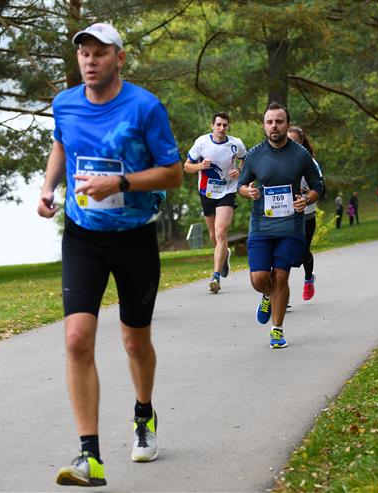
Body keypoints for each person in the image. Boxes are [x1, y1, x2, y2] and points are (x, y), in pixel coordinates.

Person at [37, 23, 183, 487]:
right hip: (83, 236)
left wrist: (119, 183)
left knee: (135, 341)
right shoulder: (65, 103)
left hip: (135, 237)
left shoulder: (145, 107)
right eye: (84, 53)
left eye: (99, 53)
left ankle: (144, 414)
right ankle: (90, 456)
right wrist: (48, 187)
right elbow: (62, 143)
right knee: (77, 339)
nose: (90, 61)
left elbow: (173, 173)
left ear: (119, 58)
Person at [237, 102, 324, 349]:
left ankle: (277, 330)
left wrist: (307, 199)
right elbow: (241, 184)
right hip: (261, 224)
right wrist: (248, 191)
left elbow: (318, 186)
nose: (274, 126)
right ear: (264, 126)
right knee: (259, 279)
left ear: (287, 124)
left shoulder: (300, 154)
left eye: (279, 121)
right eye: (269, 122)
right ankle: (267, 294)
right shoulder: (255, 154)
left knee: (281, 275)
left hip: (290, 224)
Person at [184, 112, 247, 293]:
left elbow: (247, 160)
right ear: (212, 125)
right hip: (207, 193)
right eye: (218, 124)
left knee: (220, 232)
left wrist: (240, 171)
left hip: (227, 191)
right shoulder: (202, 142)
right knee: (213, 235)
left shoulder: (236, 144)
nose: (221, 128)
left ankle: (216, 277)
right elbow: (187, 166)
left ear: (228, 127)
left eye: (225, 125)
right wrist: (200, 166)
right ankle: (225, 254)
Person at [287, 126, 324, 301]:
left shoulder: (310, 163)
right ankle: (281, 294)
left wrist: (307, 195)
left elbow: (321, 189)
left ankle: (309, 278)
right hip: (284, 214)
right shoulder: (277, 159)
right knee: (282, 253)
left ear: (301, 142)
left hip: (306, 214)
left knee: (302, 252)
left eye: (294, 141)